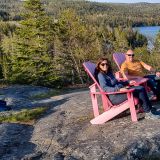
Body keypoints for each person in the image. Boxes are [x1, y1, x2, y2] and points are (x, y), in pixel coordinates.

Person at [95, 57, 160, 120]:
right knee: (139, 90)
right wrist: (118, 89)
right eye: (102, 64)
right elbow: (105, 88)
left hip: (119, 93)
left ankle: (149, 109)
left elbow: (117, 82)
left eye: (106, 64)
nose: (105, 65)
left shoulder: (109, 73)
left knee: (141, 88)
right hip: (114, 97)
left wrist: (128, 82)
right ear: (99, 66)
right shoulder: (100, 75)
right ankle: (148, 113)